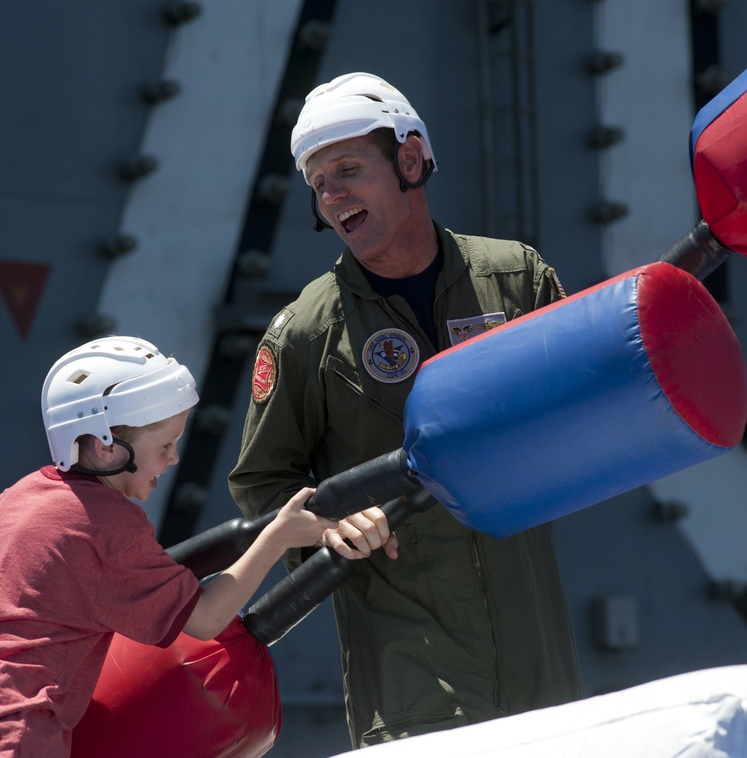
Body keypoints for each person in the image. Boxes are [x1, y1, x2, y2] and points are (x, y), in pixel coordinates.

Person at [228, 72, 584, 747]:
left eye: (348, 170)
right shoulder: (307, 330)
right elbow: (261, 488)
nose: (332, 195)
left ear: (412, 159)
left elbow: (577, 415)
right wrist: (330, 523)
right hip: (414, 681)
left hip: (542, 673)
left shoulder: (517, 279)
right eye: (319, 183)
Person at [0, 336, 379, 757]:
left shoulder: (29, 494)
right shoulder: (107, 524)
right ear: (107, 446)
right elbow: (207, 619)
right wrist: (278, 536)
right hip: (11, 729)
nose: (174, 459)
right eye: (165, 444)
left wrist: (44, 584)